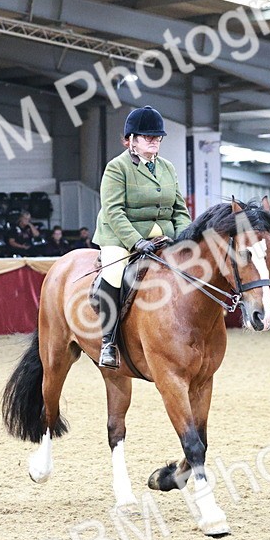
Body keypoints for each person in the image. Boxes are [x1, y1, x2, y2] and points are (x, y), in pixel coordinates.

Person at [94, 105, 191, 369]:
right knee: (114, 274)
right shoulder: (117, 168)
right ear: (130, 140)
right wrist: (136, 242)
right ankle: (108, 342)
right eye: (147, 137)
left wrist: (186, 237)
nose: (154, 141)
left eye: (156, 137)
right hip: (121, 236)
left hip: (163, 238)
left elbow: (179, 209)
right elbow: (113, 211)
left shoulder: (167, 168)